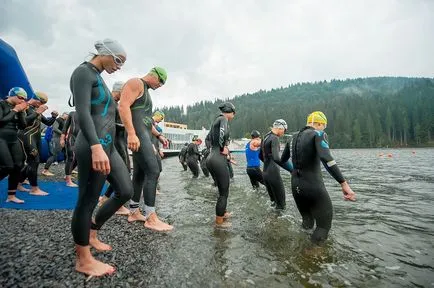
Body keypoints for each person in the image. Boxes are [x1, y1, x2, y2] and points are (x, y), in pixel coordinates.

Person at [70, 38, 133, 277]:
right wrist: (96, 146)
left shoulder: (99, 78)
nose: (119, 66)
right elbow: (83, 112)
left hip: (109, 148)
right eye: (118, 60)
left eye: (122, 63)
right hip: (92, 145)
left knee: (125, 191)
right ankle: (83, 259)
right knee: (87, 200)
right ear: (105, 53)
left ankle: (92, 231)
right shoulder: (83, 73)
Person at [285, 111, 356, 243]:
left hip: (296, 186)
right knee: (323, 227)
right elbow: (326, 157)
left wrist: (293, 171)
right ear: (319, 123)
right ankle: (309, 256)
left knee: (307, 222)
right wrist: (343, 183)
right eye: (324, 126)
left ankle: (301, 249)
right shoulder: (319, 134)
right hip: (313, 186)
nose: (324, 129)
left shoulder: (292, 138)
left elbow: (282, 159)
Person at [119, 67, 173, 231]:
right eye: (161, 82)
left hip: (143, 135)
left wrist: (158, 136)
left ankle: (134, 211)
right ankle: (151, 217)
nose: (160, 86)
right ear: (154, 75)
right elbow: (123, 106)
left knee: (140, 174)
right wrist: (131, 134)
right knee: (153, 171)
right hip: (138, 136)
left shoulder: (146, 91)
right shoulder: (136, 83)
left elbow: (146, 121)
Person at [98, 81, 130, 215]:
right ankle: (115, 202)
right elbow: (108, 124)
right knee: (124, 172)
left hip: (119, 141)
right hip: (115, 142)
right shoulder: (110, 103)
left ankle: (105, 198)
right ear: (120, 91)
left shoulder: (114, 104)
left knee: (125, 171)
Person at [18, 91, 58, 194]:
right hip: (27, 137)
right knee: (33, 161)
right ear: (35, 99)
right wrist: (37, 112)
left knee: (35, 161)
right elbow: (23, 123)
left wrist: (53, 117)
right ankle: (34, 189)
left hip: (36, 138)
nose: (42, 105)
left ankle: (18, 183)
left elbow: (48, 123)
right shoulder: (24, 107)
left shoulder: (36, 109)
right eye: (41, 102)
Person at [206, 102, 236, 228]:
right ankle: (219, 224)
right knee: (224, 193)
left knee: (221, 189)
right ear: (231, 112)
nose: (234, 116)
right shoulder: (223, 119)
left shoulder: (215, 121)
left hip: (211, 157)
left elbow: (208, 138)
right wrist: (223, 147)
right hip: (218, 158)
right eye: (234, 114)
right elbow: (223, 132)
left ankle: (223, 213)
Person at [0, 87, 28, 203]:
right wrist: (15, 110)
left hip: (13, 138)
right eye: (21, 97)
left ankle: (11, 196)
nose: (23, 100)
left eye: (24, 99)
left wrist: (21, 113)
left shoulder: (18, 108)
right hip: (1, 138)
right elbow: (1, 121)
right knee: (7, 167)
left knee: (18, 165)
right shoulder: (2, 104)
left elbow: (23, 126)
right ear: (12, 95)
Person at [260, 119, 293, 210]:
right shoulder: (274, 138)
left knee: (273, 203)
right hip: (273, 173)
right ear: (280, 128)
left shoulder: (265, 137)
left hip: (265, 173)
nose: (284, 132)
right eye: (284, 130)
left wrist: (268, 163)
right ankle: (277, 223)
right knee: (282, 206)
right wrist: (291, 169)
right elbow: (276, 158)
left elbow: (260, 155)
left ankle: (272, 222)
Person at [60, 110, 79, 187]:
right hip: (72, 138)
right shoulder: (72, 113)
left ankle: (67, 175)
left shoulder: (88, 112)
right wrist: (62, 138)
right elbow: (65, 127)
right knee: (71, 157)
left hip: (82, 139)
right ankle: (68, 180)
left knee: (78, 159)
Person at [151, 111, 165, 193]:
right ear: (157, 115)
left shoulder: (155, 125)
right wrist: (151, 145)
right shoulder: (150, 121)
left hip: (156, 148)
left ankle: (155, 187)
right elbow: (147, 134)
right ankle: (153, 189)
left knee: (159, 169)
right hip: (151, 148)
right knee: (154, 170)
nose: (161, 120)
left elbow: (156, 138)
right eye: (161, 118)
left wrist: (160, 149)